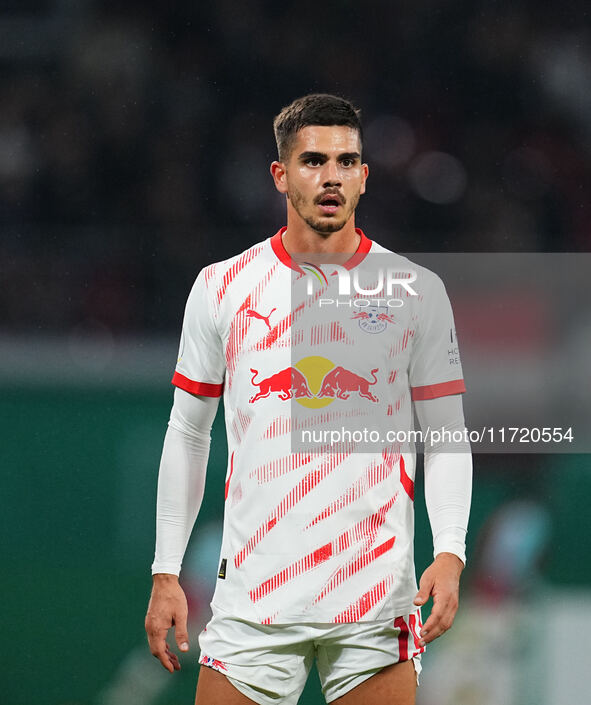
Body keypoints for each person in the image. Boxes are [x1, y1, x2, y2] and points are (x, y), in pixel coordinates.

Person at [145, 93, 472, 705]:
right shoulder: (222, 286)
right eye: (314, 160)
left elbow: (447, 434)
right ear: (280, 174)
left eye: (347, 162)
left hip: (373, 600)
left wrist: (450, 551)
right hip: (254, 597)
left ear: (365, 177)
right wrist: (167, 569)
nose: (331, 177)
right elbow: (189, 432)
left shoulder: (417, 293)